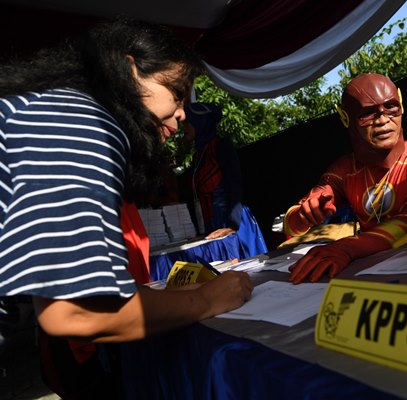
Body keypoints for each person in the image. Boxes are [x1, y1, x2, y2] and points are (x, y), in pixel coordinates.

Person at [0, 18, 252, 398]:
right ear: (131, 68)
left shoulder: (47, 110)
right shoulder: (80, 124)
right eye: (178, 93)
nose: (183, 113)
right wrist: (207, 299)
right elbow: (76, 312)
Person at [284, 73, 407, 284]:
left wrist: (347, 247)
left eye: (391, 107)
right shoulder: (344, 169)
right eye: (367, 114)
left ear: (402, 105)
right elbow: (291, 227)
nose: (382, 120)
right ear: (346, 118)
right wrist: (305, 215)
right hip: (373, 274)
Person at [183, 101, 268, 257]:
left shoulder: (221, 147)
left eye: (188, 122)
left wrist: (232, 225)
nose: (184, 127)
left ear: (200, 123)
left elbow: (235, 185)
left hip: (232, 222)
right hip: (211, 226)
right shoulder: (198, 156)